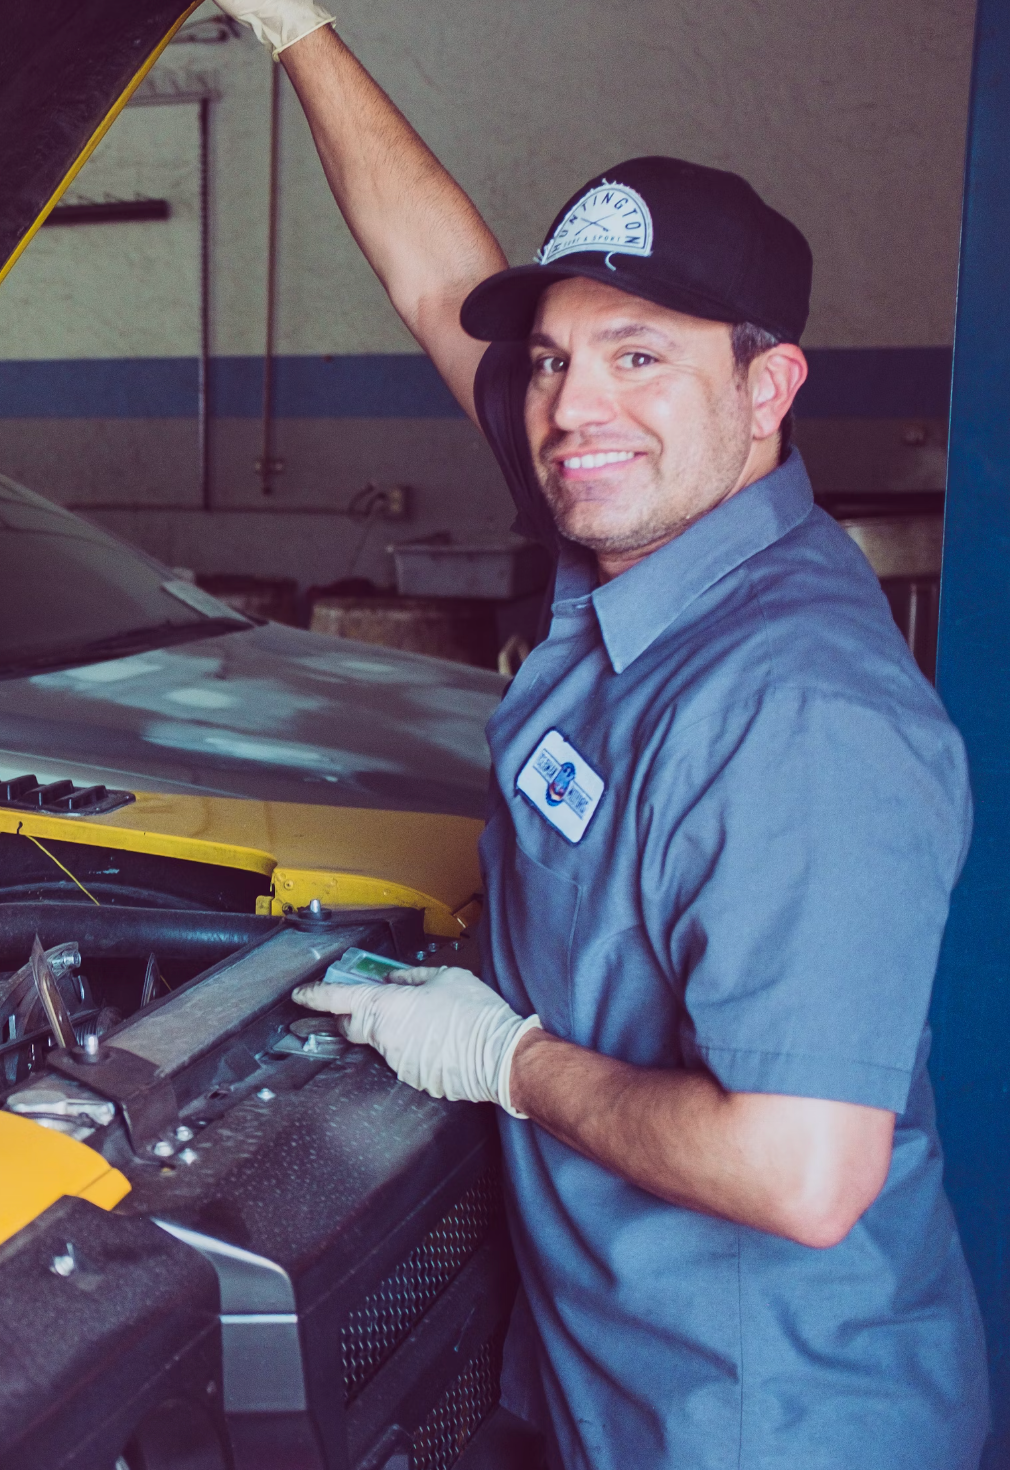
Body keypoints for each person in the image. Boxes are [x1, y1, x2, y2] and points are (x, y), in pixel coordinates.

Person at [218, 5, 989, 1466]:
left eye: (640, 357)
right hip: (616, 1390)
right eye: (555, 360)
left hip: (763, 1423)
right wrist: (296, 29)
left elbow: (805, 1170)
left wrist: (502, 1055)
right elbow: (440, 278)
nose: (574, 408)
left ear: (766, 389)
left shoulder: (798, 709)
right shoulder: (645, 537)